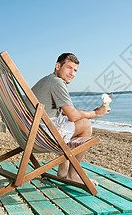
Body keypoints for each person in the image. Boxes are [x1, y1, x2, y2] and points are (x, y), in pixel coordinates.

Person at [30, 53, 111, 185]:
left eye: (75, 70)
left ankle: (63, 170)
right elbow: (72, 115)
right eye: (69, 68)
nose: (72, 73)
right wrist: (96, 113)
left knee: (72, 123)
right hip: (40, 136)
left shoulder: (47, 80)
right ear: (58, 66)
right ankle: (72, 175)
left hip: (29, 131)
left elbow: (65, 111)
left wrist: (84, 113)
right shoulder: (57, 83)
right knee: (85, 125)